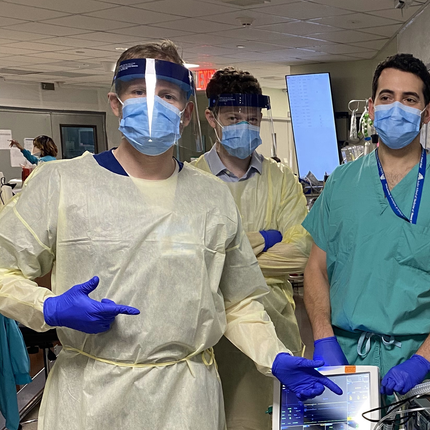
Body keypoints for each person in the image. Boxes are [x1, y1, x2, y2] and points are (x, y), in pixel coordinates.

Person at [0, 41, 339, 430]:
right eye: (137, 93)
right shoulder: (61, 184)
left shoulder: (210, 195)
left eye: (166, 95)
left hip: (187, 399)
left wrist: (273, 356)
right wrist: (48, 307)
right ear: (116, 102)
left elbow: (237, 302)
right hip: (92, 398)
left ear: (185, 111)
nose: (151, 105)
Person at [303, 53, 430, 396]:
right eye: (386, 97)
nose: (396, 107)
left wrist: (423, 358)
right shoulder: (341, 183)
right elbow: (316, 269)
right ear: (372, 108)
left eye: (409, 99)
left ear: (427, 112)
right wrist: (322, 337)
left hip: (417, 363)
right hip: (343, 360)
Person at [192, 67, 311, 430]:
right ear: (212, 118)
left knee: (272, 419)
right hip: (213, 335)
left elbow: (301, 252)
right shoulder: (190, 181)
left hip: (276, 325)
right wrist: (266, 238)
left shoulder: (282, 181)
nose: (244, 125)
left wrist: (227, 262)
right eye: (233, 118)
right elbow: (192, 262)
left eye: (252, 118)